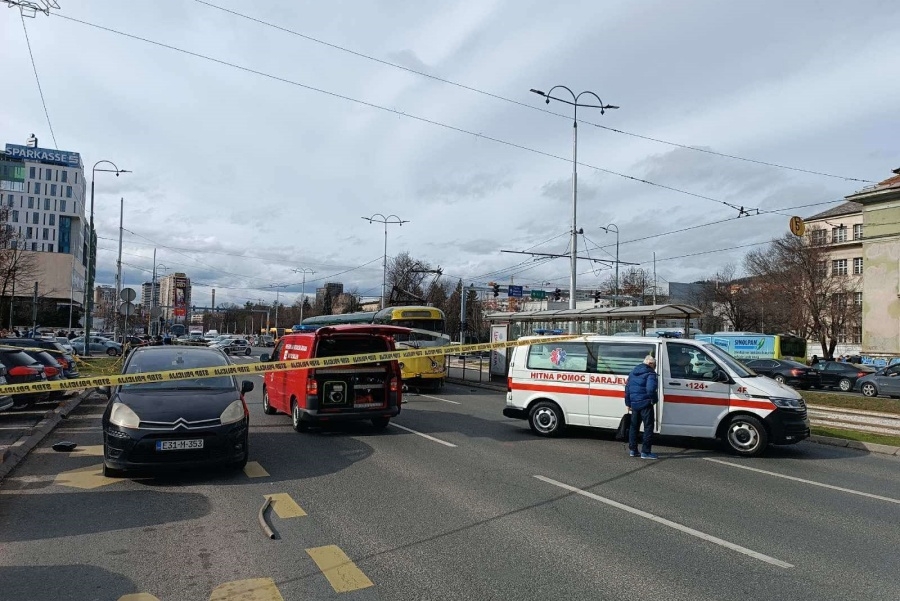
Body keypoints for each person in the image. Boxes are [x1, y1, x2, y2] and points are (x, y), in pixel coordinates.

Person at [624, 354, 659, 459]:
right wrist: (654, 400)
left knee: (634, 427)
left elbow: (627, 389)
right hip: (645, 404)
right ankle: (646, 452)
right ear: (650, 363)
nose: (655, 367)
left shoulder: (633, 372)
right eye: (655, 365)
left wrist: (628, 403)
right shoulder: (650, 373)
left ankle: (633, 450)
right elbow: (650, 389)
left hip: (634, 404)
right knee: (648, 427)